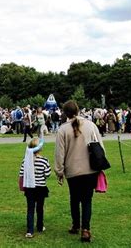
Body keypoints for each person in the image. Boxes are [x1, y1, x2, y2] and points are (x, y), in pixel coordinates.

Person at [54, 100, 104, 243]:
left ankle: (76, 225)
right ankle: (86, 229)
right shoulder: (91, 125)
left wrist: (59, 171)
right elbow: (100, 147)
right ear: (78, 110)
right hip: (90, 170)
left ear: (65, 113)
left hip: (73, 171)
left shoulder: (63, 130)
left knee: (74, 199)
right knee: (87, 200)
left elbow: (59, 153)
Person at [19, 137, 51, 238]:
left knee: (30, 209)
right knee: (40, 208)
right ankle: (40, 226)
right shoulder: (44, 160)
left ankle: (30, 230)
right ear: (40, 149)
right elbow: (47, 173)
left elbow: (21, 173)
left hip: (30, 187)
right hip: (41, 187)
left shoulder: (25, 161)